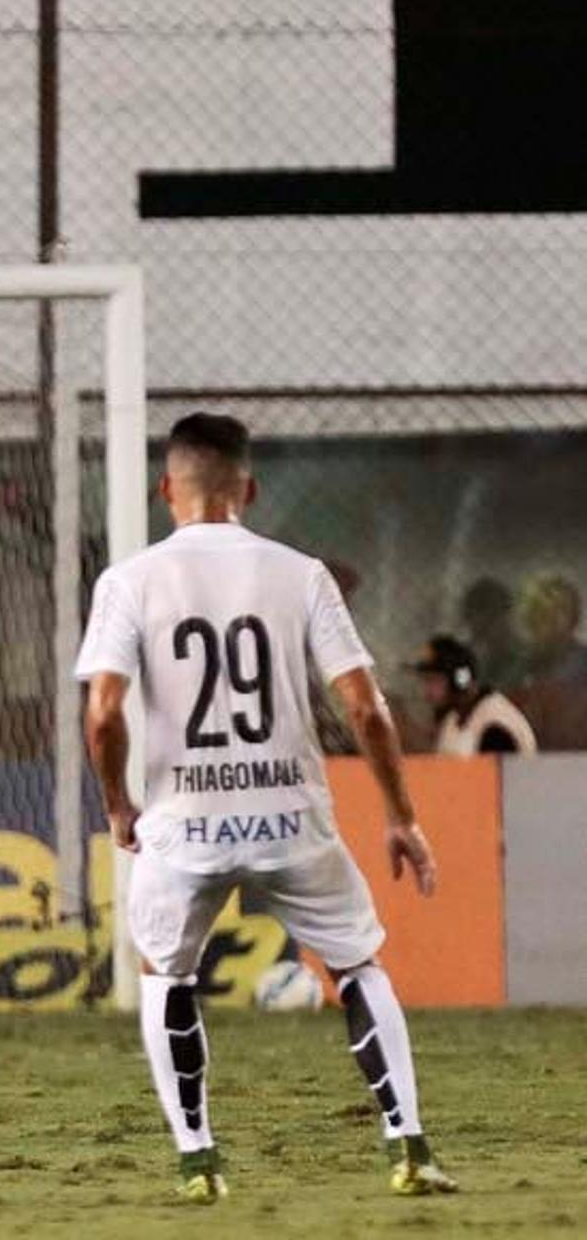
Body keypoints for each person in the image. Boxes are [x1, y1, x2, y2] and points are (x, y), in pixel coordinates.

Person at [76, 413, 456, 1203]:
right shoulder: (301, 573)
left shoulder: (130, 581)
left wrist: (119, 805)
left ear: (164, 489)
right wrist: (401, 816)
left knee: (164, 976)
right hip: (291, 817)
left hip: (184, 823)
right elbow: (367, 708)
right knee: (356, 963)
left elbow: (104, 713)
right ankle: (409, 1146)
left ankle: (198, 1161)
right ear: (248, 489)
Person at [409, 635, 536, 756]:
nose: (426, 693)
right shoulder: (453, 719)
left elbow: (496, 776)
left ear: (460, 680)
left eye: (433, 681)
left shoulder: (495, 726)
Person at [514, 573, 587, 750]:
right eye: (539, 613)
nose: (547, 622)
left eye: (558, 612)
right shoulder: (518, 670)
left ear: (573, 618)